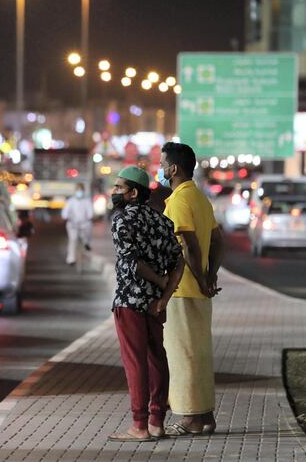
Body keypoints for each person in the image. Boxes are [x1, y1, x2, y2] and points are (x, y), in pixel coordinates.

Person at [107, 166, 185, 442]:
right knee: (156, 359)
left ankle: (139, 426)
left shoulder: (122, 221)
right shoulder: (161, 220)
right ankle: (156, 423)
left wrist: (160, 283)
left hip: (130, 301)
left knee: (135, 363)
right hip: (154, 305)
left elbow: (132, 264)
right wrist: (164, 296)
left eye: (119, 188)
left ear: (133, 193)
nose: (114, 192)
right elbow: (179, 262)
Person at [157, 142, 225, 436]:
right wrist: (211, 276)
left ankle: (189, 419)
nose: (160, 169)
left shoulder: (178, 200)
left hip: (183, 289)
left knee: (182, 355)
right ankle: (206, 415)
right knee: (199, 353)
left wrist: (199, 277)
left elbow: (186, 243)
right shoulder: (200, 198)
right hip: (200, 291)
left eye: (162, 164)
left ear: (174, 168)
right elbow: (217, 240)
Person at [62, 183, 93, 264]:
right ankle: (71, 258)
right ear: (75, 191)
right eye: (78, 190)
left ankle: (87, 243)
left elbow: (90, 213)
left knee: (87, 233)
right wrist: (66, 217)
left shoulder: (87, 201)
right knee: (73, 239)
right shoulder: (70, 201)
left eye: (81, 190)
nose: (79, 192)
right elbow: (65, 213)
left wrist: (89, 217)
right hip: (73, 224)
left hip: (84, 223)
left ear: (83, 191)